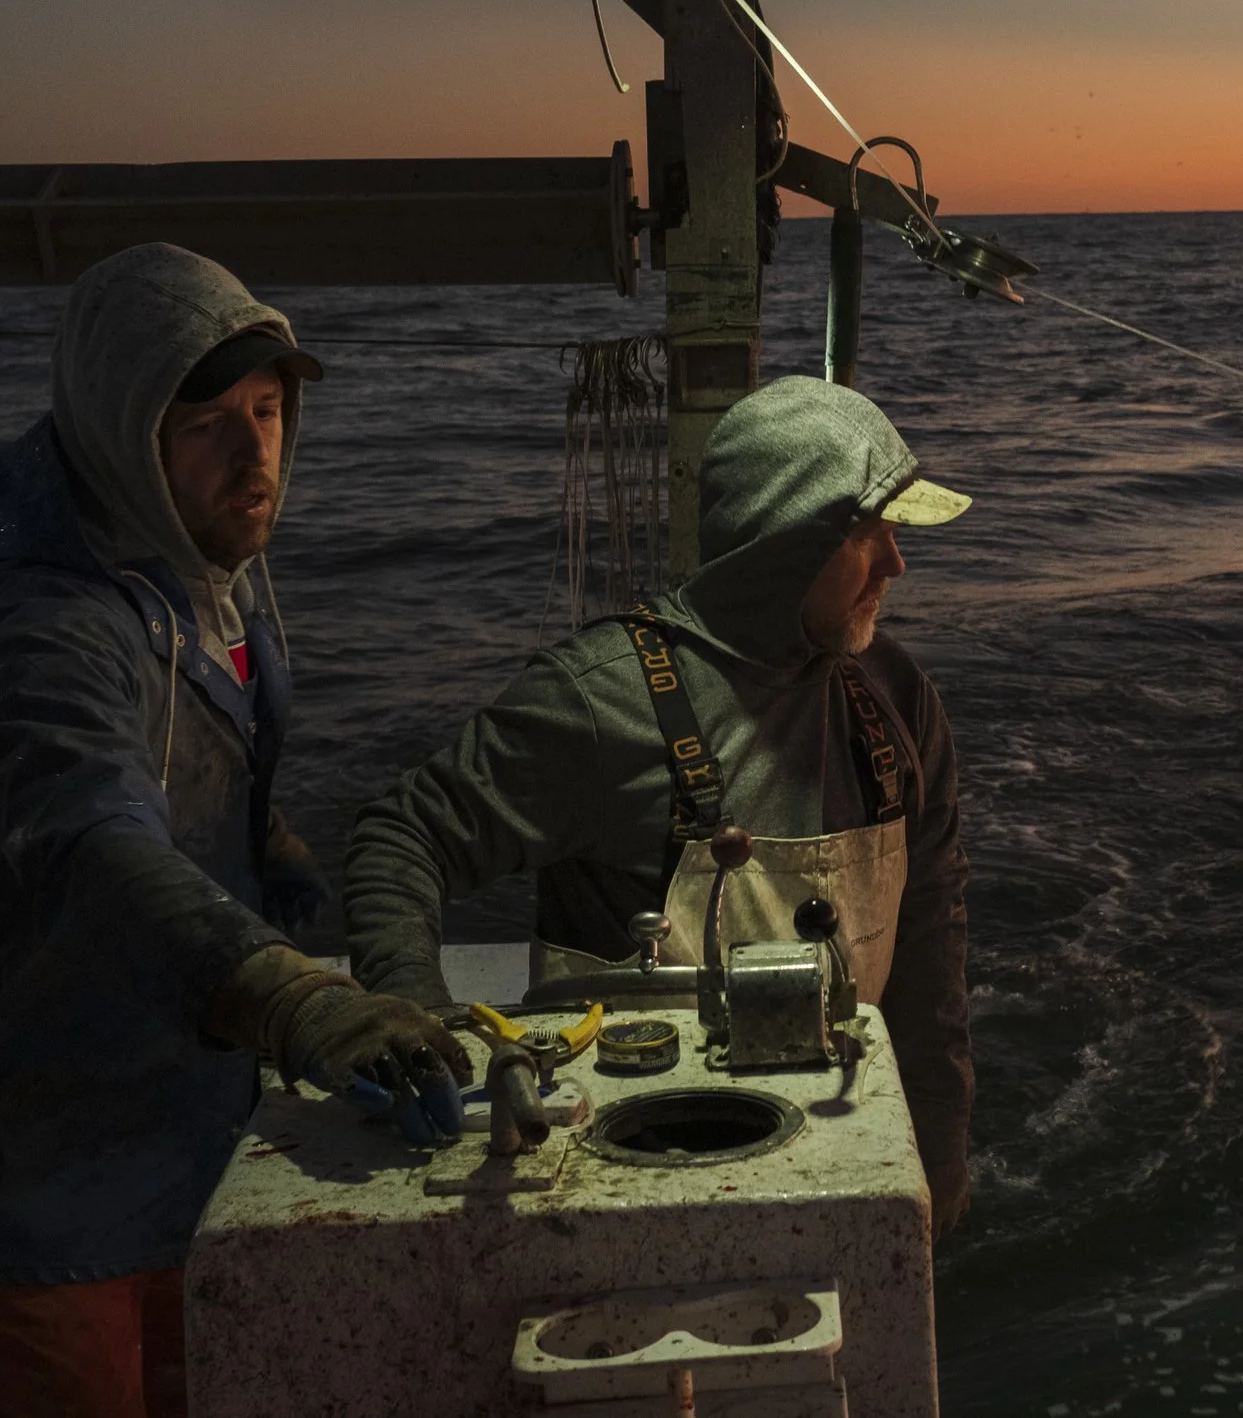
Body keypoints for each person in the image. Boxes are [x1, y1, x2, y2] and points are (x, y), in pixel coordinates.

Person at [0, 243, 471, 1418]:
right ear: (124, 434)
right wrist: (298, 999)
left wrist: (254, 829)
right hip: (12, 1178)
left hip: (167, 1126)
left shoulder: (193, 577)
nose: (256, 456)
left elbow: (175, 743)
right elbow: (88, 841)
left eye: (271, 411)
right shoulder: (45, 632)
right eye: (205, 425)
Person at [346, 375, 975, 1234]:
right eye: (869, 531)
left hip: (837, 1161)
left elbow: (930, 954)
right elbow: (403, 837)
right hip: (611, 1191)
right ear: (786, 538)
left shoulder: (894, 700)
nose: (898, 561)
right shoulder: (600, 704)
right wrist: (416, 1019)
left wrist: (936, 1156)